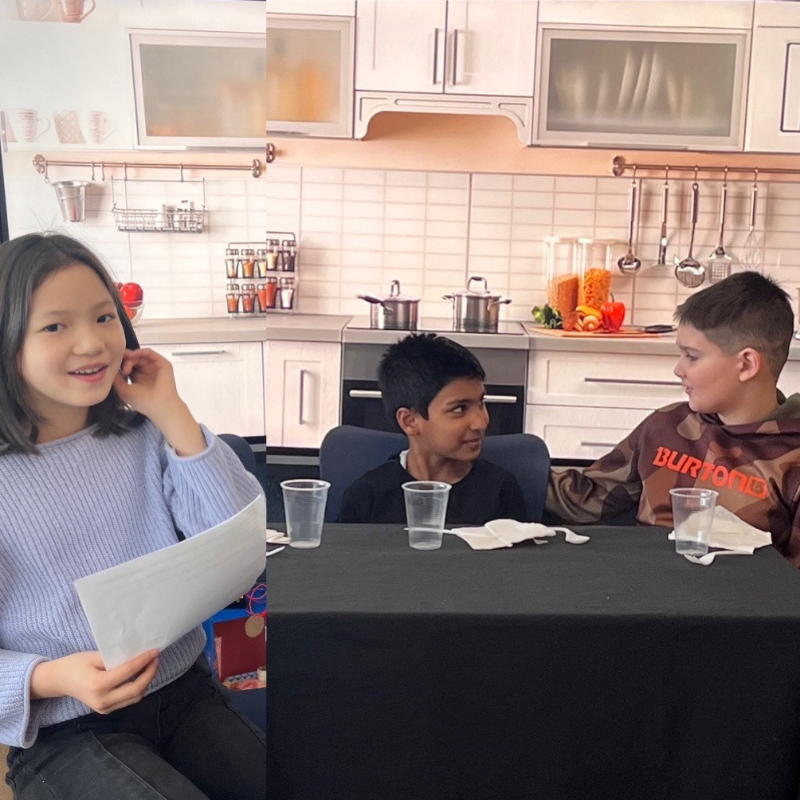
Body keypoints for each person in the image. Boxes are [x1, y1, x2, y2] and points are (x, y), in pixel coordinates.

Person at [0, 233, 266, 800]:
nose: (92, 343)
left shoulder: (145, 433)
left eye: (104, 317)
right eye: (55, 326)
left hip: (187, 692)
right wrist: (52, 677)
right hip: (64, 731)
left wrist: (172, 412)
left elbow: (236, 537)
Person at [545, 270, 800, 566]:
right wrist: (495, 465)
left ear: (746, 364)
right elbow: (586, 496)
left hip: (738, 607)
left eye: (691, 356)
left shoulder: (792, 457)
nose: (678, 370)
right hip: (644, 594)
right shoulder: (666, 426)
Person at [338, 332, 526, 525]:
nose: (481, 422)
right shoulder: (368, 497)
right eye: (460, 409)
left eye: (481, 402)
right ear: (410, 421)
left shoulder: (500, 490)